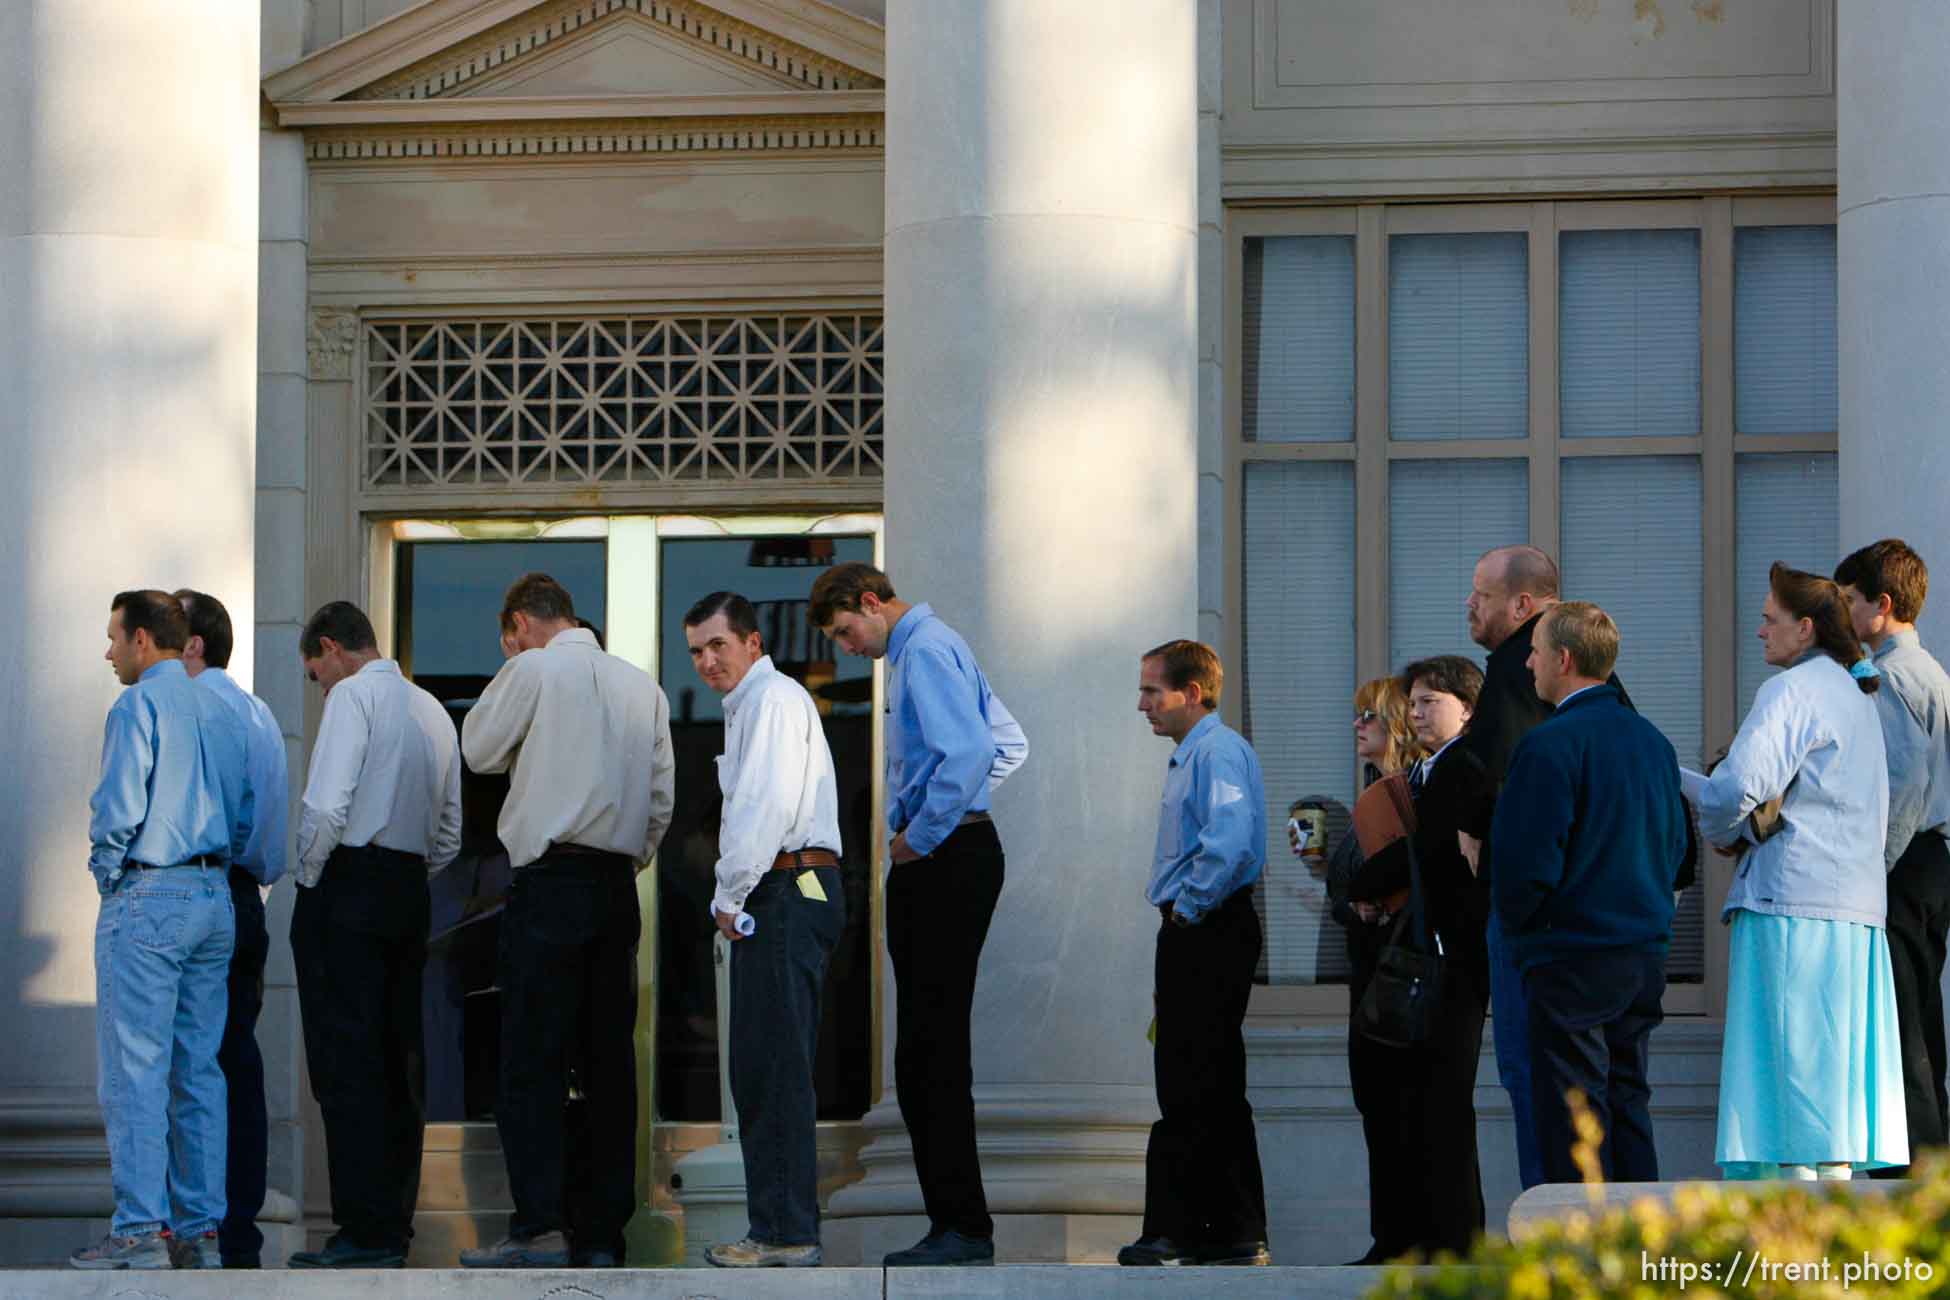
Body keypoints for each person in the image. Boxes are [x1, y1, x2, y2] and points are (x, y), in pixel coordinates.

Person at [808, 562, 1024, 1269]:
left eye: (846, 631)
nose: (848, 647)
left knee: (929, 1052)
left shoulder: (924, 650)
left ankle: (961, 1226)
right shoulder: (934, 647)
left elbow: (972, 752)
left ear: (871, 602)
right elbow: (1008, 745)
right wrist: (950, 817)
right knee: (929, 1050)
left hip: (944, 859)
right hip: (956, 851)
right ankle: (955, 1224)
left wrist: (922, 835)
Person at [459, 574, 674, 1268]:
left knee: (533, 1060)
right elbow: (661, 801)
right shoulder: (642, 687)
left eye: (508, 640)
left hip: (549, 882)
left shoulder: (533, 668)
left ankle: (540, 1227)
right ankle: (603, 1234)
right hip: (614, 886)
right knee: (608, 1064)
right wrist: (627, 859)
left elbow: (477, 749)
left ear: (521, 623)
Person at [1702, 563, 1905, 1181]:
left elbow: (1734, 788)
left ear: (1806, 627)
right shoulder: (1855, 695)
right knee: (1834, 1094)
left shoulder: (1792, 691)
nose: (1760, 631)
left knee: (1786, 1086)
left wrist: (1723, 828)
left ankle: (1795, 1229)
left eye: (1770, 620)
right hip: (1855, 910)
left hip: (1792, 904)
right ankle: (1835, 1225)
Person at [70, 591, 251, 1271]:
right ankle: (200, 1234)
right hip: (214, 895)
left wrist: (108, 873)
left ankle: (140, 1230)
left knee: (135, 1069)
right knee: (198, 1070)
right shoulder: (226, 709)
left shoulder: (137, 705)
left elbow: (119, 807)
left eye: (114, 637)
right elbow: (245, 812)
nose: (109, 652)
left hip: (152, 892)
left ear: (143, 639)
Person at [287, 600, 461, 1269]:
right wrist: (406, 873)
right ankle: (391, 1227)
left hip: (350, 884)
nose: (319, 687)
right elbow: (449, 832)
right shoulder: (432, 709)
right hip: (408, 888)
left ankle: (359, 1228)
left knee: (346, 1062)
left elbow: (326, 806)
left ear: (331, 648)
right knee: (399, 1063)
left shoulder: (353, 696)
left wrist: (310, 879)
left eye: (315, 674)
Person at [1491, 602, 1690, 1184]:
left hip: (1570, 957)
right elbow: (1679, 852)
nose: (1527, 664)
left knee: (1574, 1118)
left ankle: (1585, 1239)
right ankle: (1639, 1235)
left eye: (1535, 652)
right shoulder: (1654, 743)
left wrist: (1525, 938)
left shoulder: (1549, 745)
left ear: (1564, 658)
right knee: (1628, 1104)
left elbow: (1524, 865)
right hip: (1642, 955)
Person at [684, 592, 845, 1269]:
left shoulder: (771, 700)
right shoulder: (753, 705)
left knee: (772, 1066)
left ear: (753, 642)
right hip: (785, 887)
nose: (706, 661)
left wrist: (728, 896)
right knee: (763, 1066)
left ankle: (784, 1232)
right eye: (696, 651)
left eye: (718, 645)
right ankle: (779, 1227)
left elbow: (763, 806)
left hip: (785, 885)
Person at [1459, 544, 1626, 1192]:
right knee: (1607, 1090)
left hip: (1538, 922)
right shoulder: (1616, 705)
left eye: (1482, 594)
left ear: (1523, 606)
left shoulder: (1512, 671)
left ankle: (1555, 1231)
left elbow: (1488, 779)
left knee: (1534, 1078)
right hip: (1609, 923)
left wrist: (1471, 828)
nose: (1469, 604)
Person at [1116, 641, 1271, 1268]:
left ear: (1193, 693)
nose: (1142, 704)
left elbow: (1229, 841)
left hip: (1206, 924)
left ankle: (1178, 1228)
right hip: (1205, 923)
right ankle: (1227, 1230)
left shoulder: (1215, 752)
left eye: (1152, 691)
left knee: (1189, 1078)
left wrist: (1188, 908)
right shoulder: (1201, 753)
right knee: (1207, 1078)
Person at [1346, 655, 1494, 1259]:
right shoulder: (1423, 773)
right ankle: (1406, 1238)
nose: (1416, 712)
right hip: (1416, 956)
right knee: (1403, 1103)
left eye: (1431, 701)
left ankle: (1453, 1243)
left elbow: (1430, 853)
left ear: (1468, 708)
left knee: (1443, 1105)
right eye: (1412, 702)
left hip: (1451, 960)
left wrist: (1362, 883)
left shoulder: (1466, 767)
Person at [175, 589, 290, 1269]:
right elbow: (267, 837)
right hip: (246, 896)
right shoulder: (260, 713)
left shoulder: (188, 708)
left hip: (200, 889)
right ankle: (236, 1230)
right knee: (236, 1062)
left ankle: (194, 1227)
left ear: (193, 645)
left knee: (188, 1064)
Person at [1835, 540, 1950, 1177]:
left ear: (1881, 605)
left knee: (1900, 1027)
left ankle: (1911, 1180)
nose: (1842, 612)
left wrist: (1872, 870)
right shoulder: (1929, 671)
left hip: (1904, 863)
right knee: (1922, 1021)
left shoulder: (1892, 679)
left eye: (1849, 600)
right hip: (1932, 862)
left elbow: (1902, 783)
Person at [1328, 676, 1425, 1265]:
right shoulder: (1372, 793)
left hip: (1396, 969)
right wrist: (1351, 902)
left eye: (1368, 715)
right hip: (1371, 965)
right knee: (1381, 1106)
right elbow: (1347, 888)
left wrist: (1365, 898)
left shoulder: (1404, 796)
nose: (1357, 724)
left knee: (1397, 1106)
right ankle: (1389, 1236)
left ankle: (1402, 1239)